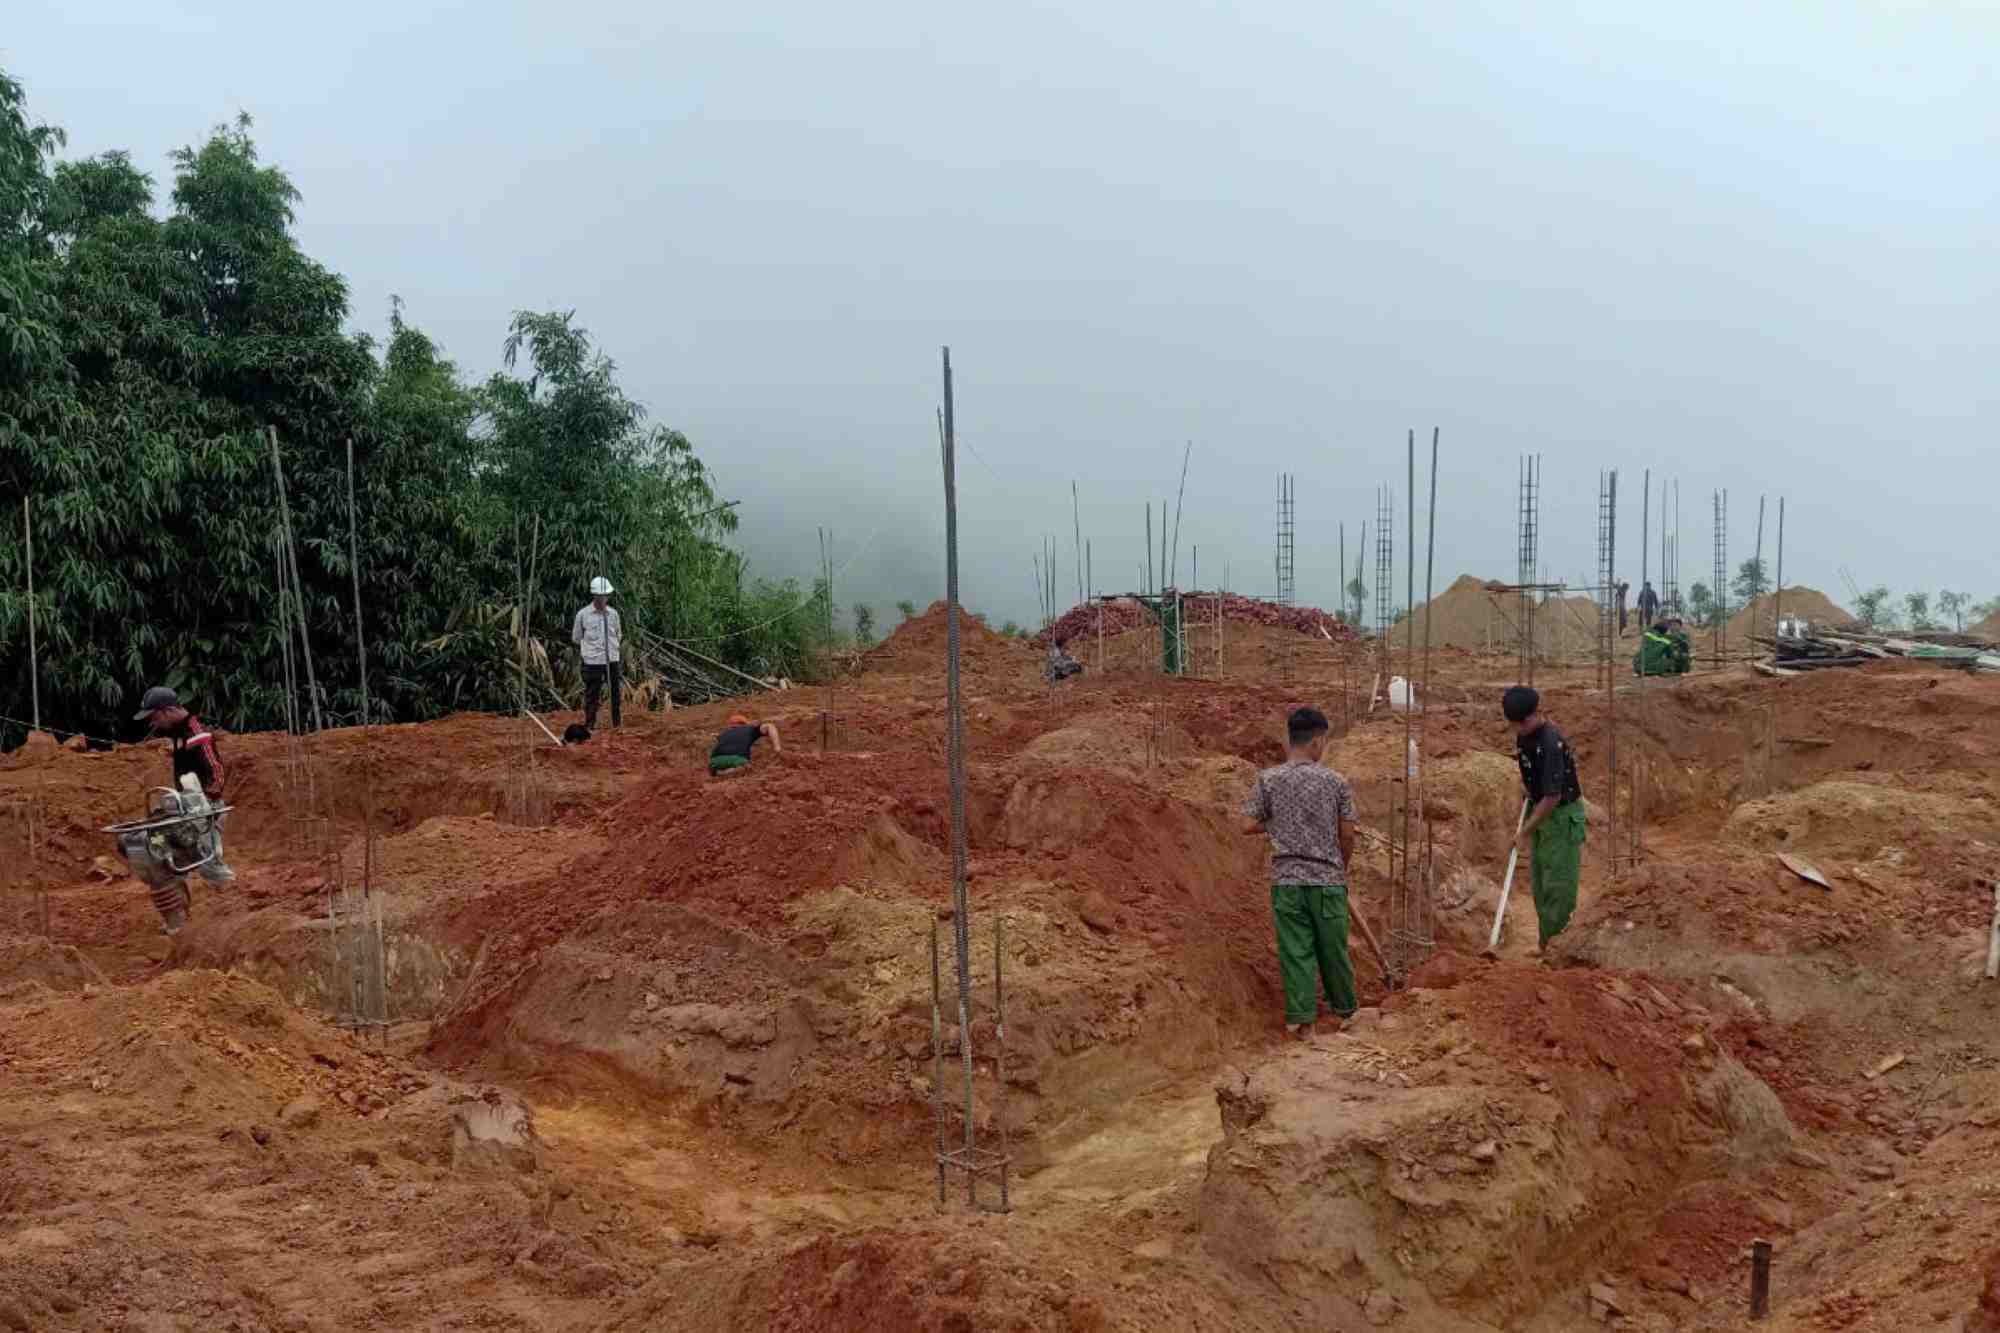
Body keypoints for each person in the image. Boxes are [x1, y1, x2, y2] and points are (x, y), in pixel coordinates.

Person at [1241, 706, 1358, 1038]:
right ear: (1318, 741)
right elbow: (1347, 834)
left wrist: (1277, 823)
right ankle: (1346, 1012)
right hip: (1328, 882)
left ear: (1290, 739)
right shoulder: (1337, 783)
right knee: (1333, 949)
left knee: (1296, 951)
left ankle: (1302, 1022)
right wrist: (1341, 868)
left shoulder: (1269, 779)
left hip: (1287, 883)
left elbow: (1246, 824)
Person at [1502, 686, 1585, 953]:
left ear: (1527, 719)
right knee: (1540, 884)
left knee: (1558, 888)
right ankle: (1545, 946)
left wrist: (1524, 832)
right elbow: (1533, 778)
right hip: (1540, 812)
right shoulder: (1525, 738)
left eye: (1515, 724)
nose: (1514, 730)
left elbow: (1553, 797)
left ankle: (1559, 952)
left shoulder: (1550, 743)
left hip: (1560, 817)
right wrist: (1529, 788)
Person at [133, 685, 234, 885]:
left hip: (204, 805)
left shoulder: (196, 732)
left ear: (168, 711)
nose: (153, 723)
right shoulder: (179, 733)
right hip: (187, 803)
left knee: (208, 860)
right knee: (158, 831)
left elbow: (217, 771)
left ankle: (226, 891)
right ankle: (175, 878)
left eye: (154, 717)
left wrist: (206, 803)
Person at [572, 576, 623, 730]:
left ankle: (616, 723)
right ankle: (590, 725)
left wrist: (613, 649)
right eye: (601, 595)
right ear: (594, 595)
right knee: (592, 694)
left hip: (612, 659)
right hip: (593, 661)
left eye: (606, 595)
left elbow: (618, 635)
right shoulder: (583, 615)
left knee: (615, 692)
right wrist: (589, 650)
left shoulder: (613, 614)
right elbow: (576, 638)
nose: (604, 598)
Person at [709, 713, 781, 777]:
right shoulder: (749, 729)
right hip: (736, 759)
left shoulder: (725, 733)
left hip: (714, 761)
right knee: (746, 767)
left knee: (725, 764)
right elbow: (769, 726)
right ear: (744, 724)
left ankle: (717, 772)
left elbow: (719, 738)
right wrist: (777, 748)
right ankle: (725, 773)